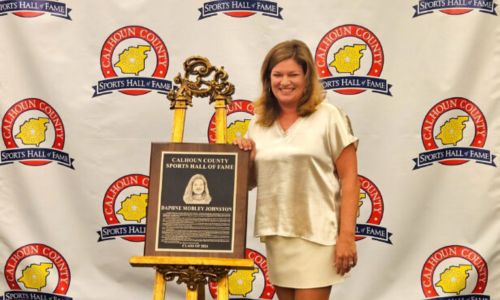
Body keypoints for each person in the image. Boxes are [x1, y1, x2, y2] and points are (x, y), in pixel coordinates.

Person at [233, 39, 359, 300]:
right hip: (278, 235)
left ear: (307, 77)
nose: (285, 81)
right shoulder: (258, 123)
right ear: (268, 79)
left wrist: (346, 236)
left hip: (318, 235)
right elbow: (247, 184)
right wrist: (244, 158)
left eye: (293, 74)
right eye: (277, 74)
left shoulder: (329, 116)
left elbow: (349, 179)